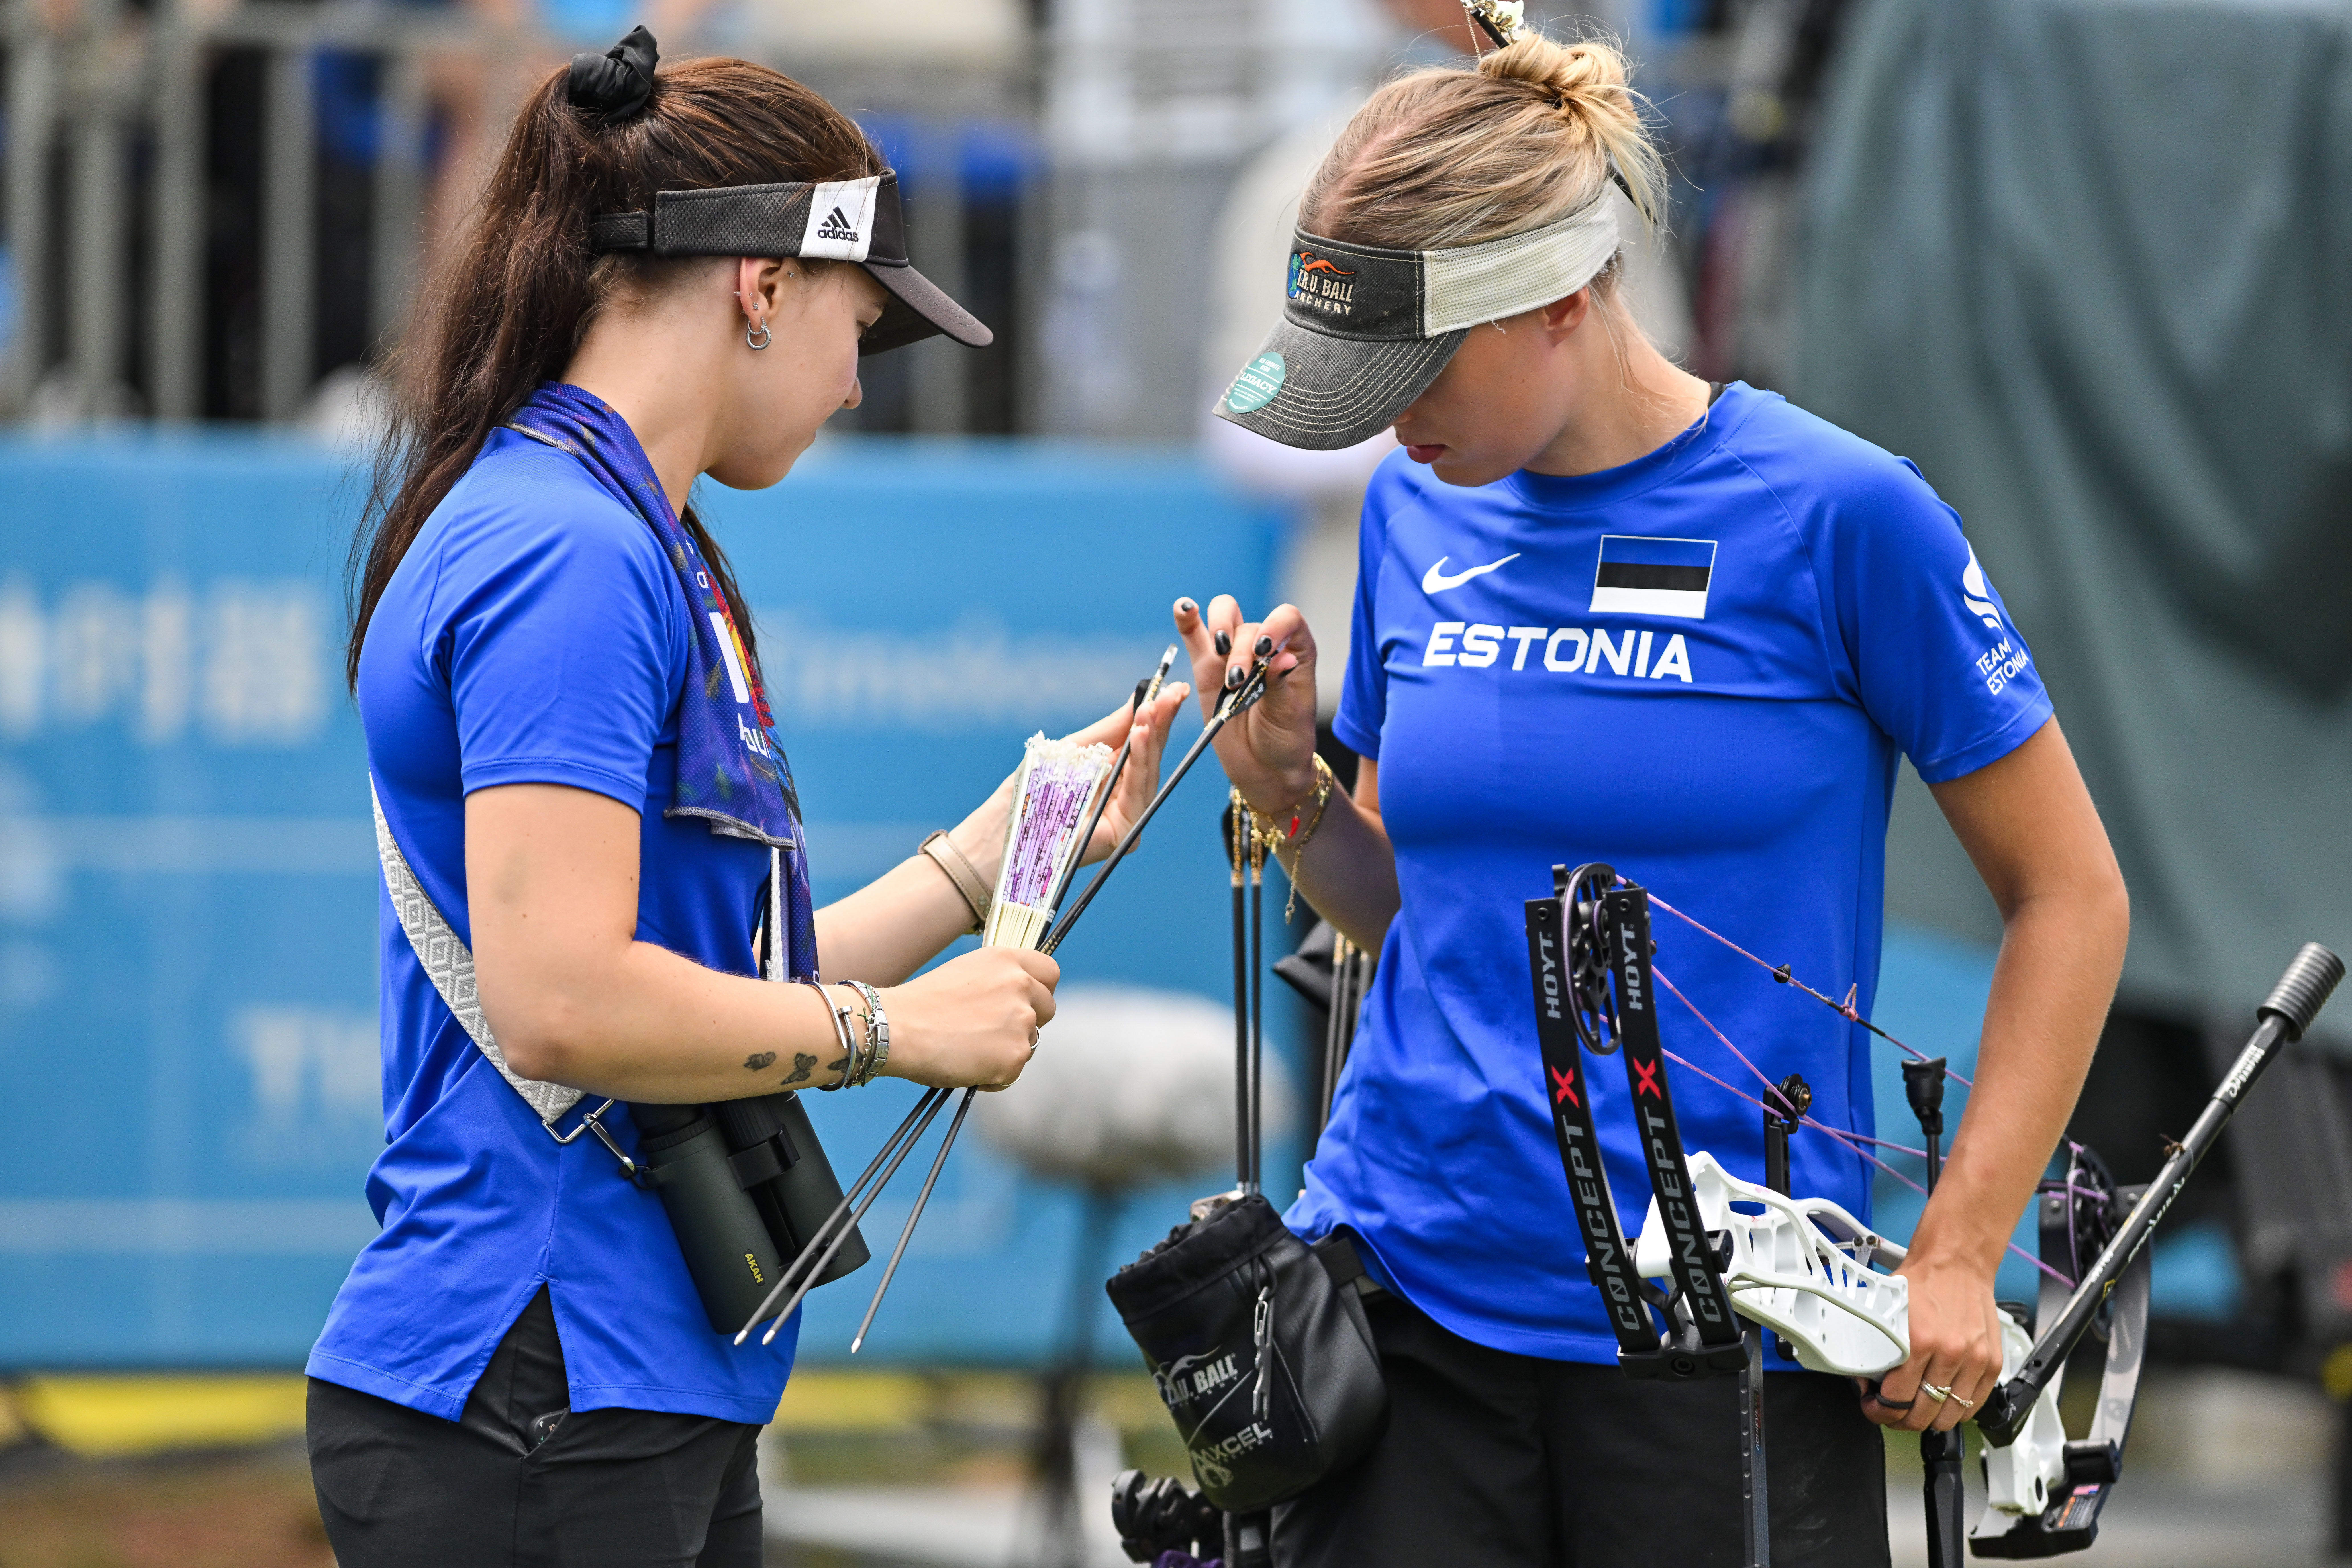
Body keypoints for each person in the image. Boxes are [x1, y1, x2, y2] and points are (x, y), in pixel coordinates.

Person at [1177, 25, 2130, 1568]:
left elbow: (2074, 898)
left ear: (1562, 296)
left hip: (1727, 1337)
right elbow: (1418, 912)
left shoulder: (1844, 517)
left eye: (1416, 369)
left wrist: (1959, 1248)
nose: (1386, 421)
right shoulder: (1419, 504)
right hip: (1411, 1297)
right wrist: (1293, 797)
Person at [306, 30, 1189, 1566]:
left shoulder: (637, 538)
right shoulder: (569, 552)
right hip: (540, 1376)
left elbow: (719, 991)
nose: (857, 382)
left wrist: (1004, 846)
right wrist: (901, 1035)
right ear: (764, 286)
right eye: (864, 322)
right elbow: (565, 1002)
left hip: (620, 1380)